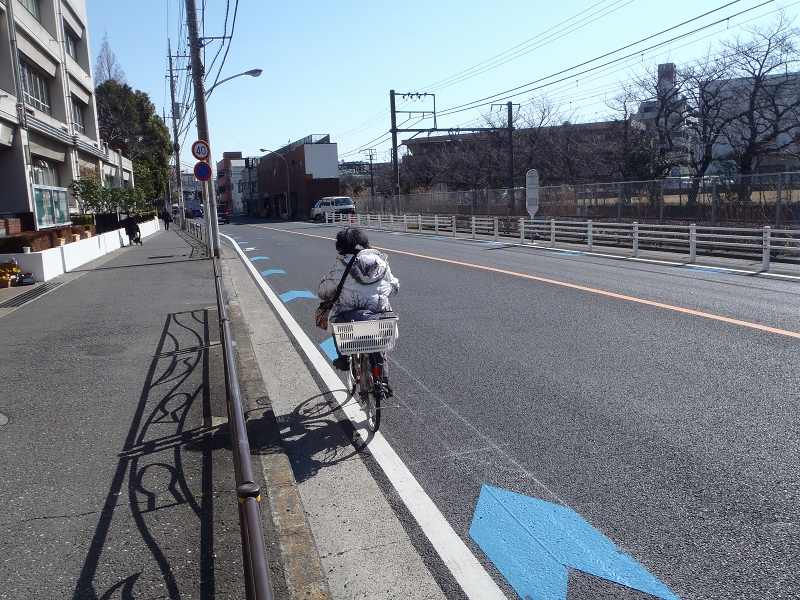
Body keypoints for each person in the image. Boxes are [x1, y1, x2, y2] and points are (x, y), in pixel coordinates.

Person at [317, 228, 399, 387]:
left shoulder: (341, 263)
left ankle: (343, 359)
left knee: (336, 320)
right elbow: (394, 286)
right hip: (378, 315)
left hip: (350, 317)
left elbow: (324, 291)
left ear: (341, 246)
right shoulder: (380, 261)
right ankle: (383, 382)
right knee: (377, 338)